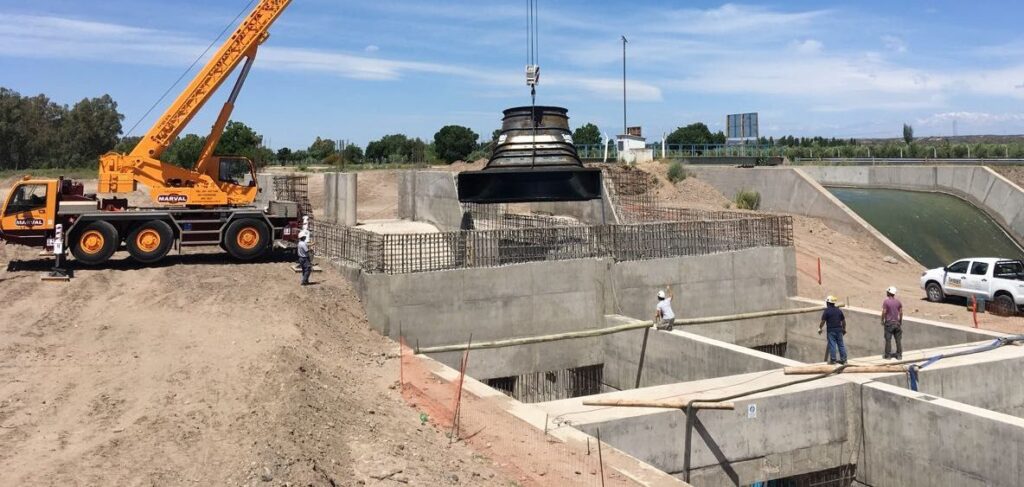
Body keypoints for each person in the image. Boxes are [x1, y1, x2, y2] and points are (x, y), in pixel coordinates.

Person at [818, 295, 847, 365]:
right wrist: (844, 329)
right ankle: (844, 360)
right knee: (841, 345)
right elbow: (843, 321)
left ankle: (833, 360)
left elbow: (823, 321)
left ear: (828, 303)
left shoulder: (827, 311)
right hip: (839, 330)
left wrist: (820, 328)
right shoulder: (839, 310)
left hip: (831, 331)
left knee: (832, 345)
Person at [882, 286, 903, 359]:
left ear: (889, 293)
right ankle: (899, 355)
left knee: (888, 340)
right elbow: (901, 313)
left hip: (889, 324)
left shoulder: (886, 302)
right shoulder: (898, 302)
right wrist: (900, 321)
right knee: (898, 340)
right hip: (897, 324)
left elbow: (884, 312)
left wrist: (882, 320)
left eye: (887, 292)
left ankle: (888, 355)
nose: (886, 293)